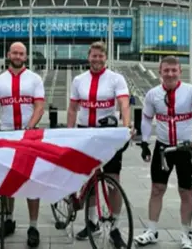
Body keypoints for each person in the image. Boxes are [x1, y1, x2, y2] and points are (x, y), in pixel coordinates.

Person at [134, 56, 192, 249]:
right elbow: (146, 119)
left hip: (186, 148)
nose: (170, 74)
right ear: (160, 72)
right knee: (156, 190)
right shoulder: (153, 94)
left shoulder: (191, 91)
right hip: (163, 148)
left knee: (186, 192)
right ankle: (151, 231)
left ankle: (185, 235)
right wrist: (144, 142)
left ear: (180, 72)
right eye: (166, 70)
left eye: (173, 70)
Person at [67, 41, 133, 248]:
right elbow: (72, 109)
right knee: (89, 180)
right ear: (89, 57)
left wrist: (126, 126)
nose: (96, 59)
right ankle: (93, 222)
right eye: (93, 56)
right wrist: (69, 134)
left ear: (106, 58)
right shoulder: (79, 80)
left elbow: (123, 103)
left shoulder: (116, 78)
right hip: (85, 132)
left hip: (107, 134)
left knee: (113, 181)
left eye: (100, 56)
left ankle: (115, 228)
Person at [0, 42, 45, 248]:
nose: (17, 56)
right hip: (6, 134)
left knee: (31, 181)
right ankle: (8, 219)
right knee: (7, 180)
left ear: (26, 57)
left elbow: (39, 106)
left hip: (29, 136)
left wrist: (30, 127)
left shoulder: (34, 79)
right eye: (14, 53)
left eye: (21, 53)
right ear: (9, 55)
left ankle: (33, 226)